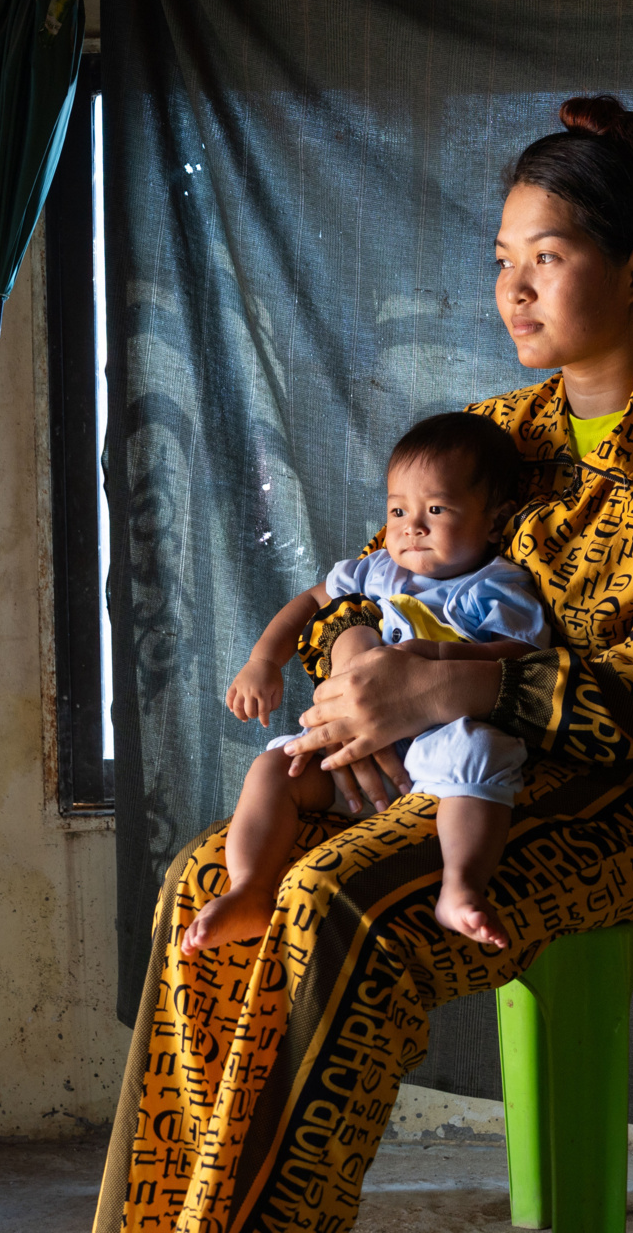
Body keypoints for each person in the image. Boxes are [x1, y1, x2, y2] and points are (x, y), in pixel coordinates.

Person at [11, 95, 633, 1233]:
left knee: (346, 908)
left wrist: (454, 689)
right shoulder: (493, 432)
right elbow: (354, 592)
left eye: (545, 256)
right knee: (212, 880)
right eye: (502, 258)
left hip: (632, 808)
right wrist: (361, 676)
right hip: (436, 786)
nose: (512, 287)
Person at [191, 411, 551, 959]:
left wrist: (438, 655)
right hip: (351, 762)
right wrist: (264, 658)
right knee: (272, 769)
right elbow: (313, 602)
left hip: (435, 750)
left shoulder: (495, 584)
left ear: (494, 519)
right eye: (398, 510)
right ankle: (250, 887)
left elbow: (524, 655)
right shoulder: (376, 569)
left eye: (436, 509)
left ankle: (460, 885)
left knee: (481, 759)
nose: (412, 527)